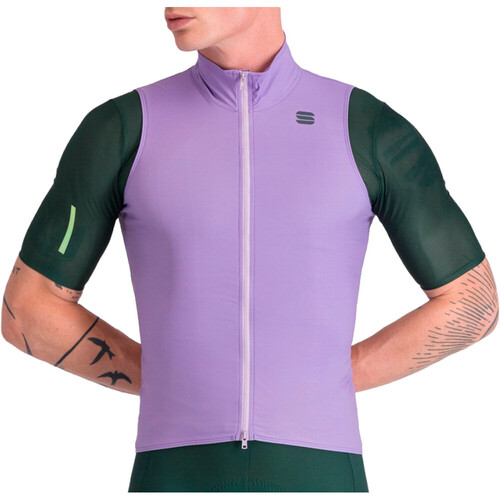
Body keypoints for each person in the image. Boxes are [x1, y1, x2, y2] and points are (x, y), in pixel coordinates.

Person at [1, 6, 498, 493]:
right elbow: (27, 308)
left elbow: (474, 303)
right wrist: (165, 378)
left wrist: (332, 378)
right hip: (174, 472)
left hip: (320, 473)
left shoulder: (365, 126)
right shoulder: (121, 128)